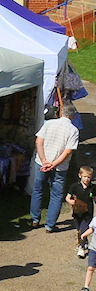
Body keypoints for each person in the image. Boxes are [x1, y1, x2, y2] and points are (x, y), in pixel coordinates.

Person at [31, 103, 80, 232]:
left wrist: (44, 160)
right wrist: (54, 164)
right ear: (73, 116)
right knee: (56, 195)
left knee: (38, 190)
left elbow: (38, 142)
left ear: (61, 113)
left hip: (41, 163)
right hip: (60, 167)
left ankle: (35, 219)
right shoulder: (73, 130)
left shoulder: (48, 123)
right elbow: (68, 151)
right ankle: (50, 225)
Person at [68, 165, 96, 259]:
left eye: (89, 177)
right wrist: (71, 201)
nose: (87, 179)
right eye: (85, 176)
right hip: (77, 212)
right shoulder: (75, 186)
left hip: (88, 213)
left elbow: (95, 198)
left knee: (84, 229)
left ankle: (82, 247)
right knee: (79, 229)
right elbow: (67, 197)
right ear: (80, 175)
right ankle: (85, 242)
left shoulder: (93, 187)